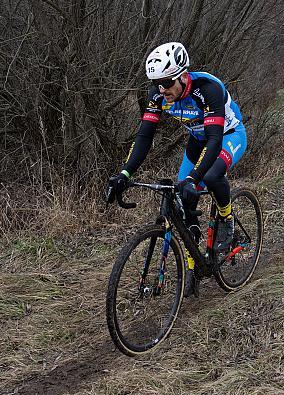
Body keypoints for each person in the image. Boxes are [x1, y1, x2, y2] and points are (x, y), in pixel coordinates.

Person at [106, 42, 247, 297]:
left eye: (167, 82)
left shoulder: (208, 89)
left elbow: (214, 140)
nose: (162, 89)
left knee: (211, 175)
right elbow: (144, 137)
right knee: (182, 197)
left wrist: (195, 177)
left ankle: (226, 218)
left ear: (183, 76)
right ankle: (193, 263)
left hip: (227, 135)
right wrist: (125, 173)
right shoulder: (158, 94)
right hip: (198, 139)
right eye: (157, 83)